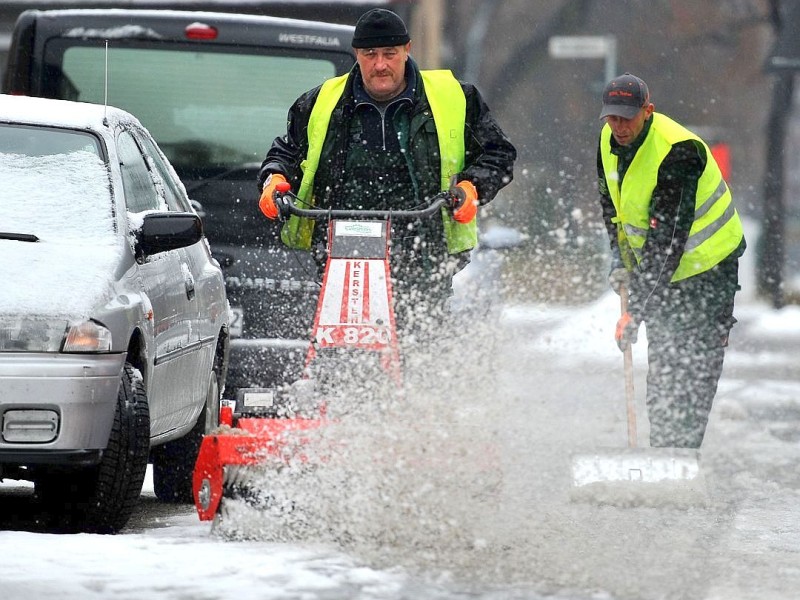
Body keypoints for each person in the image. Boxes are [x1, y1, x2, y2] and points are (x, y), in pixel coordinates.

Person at [257, 8, 516, 342]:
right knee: (338, 339)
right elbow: (287, 151)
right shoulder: (321, 102)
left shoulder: (455, 98)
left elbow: (499, 152)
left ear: (407, 50)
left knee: (419, 343)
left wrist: (472, 186)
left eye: (389, 54)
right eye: (370, 55)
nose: (380, 65)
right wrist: (274, 178)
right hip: (340, 249)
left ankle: (420, 389)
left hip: (422, 249)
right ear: (357, 55)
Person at [596, 72, 746, 449]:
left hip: (710, 269)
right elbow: (612, 209)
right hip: (663, 271)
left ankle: (683, 455)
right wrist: (619, 258)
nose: (619, 126)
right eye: (612, 117)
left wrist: (637, 311)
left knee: (696, 365)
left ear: (648, 111)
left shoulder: (679, 151)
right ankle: (664, 454)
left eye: (627, 117)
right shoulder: (607, 140)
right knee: (665, 363)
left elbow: (666, 241)